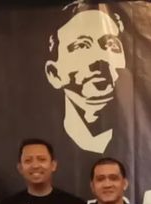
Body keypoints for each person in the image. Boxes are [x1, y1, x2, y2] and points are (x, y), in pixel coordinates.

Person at [44, 5, 127, 153]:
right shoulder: (45, 137)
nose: (99, 59)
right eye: (81, 46)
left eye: (110, 44)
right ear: (54, 74)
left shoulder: (139, 138)